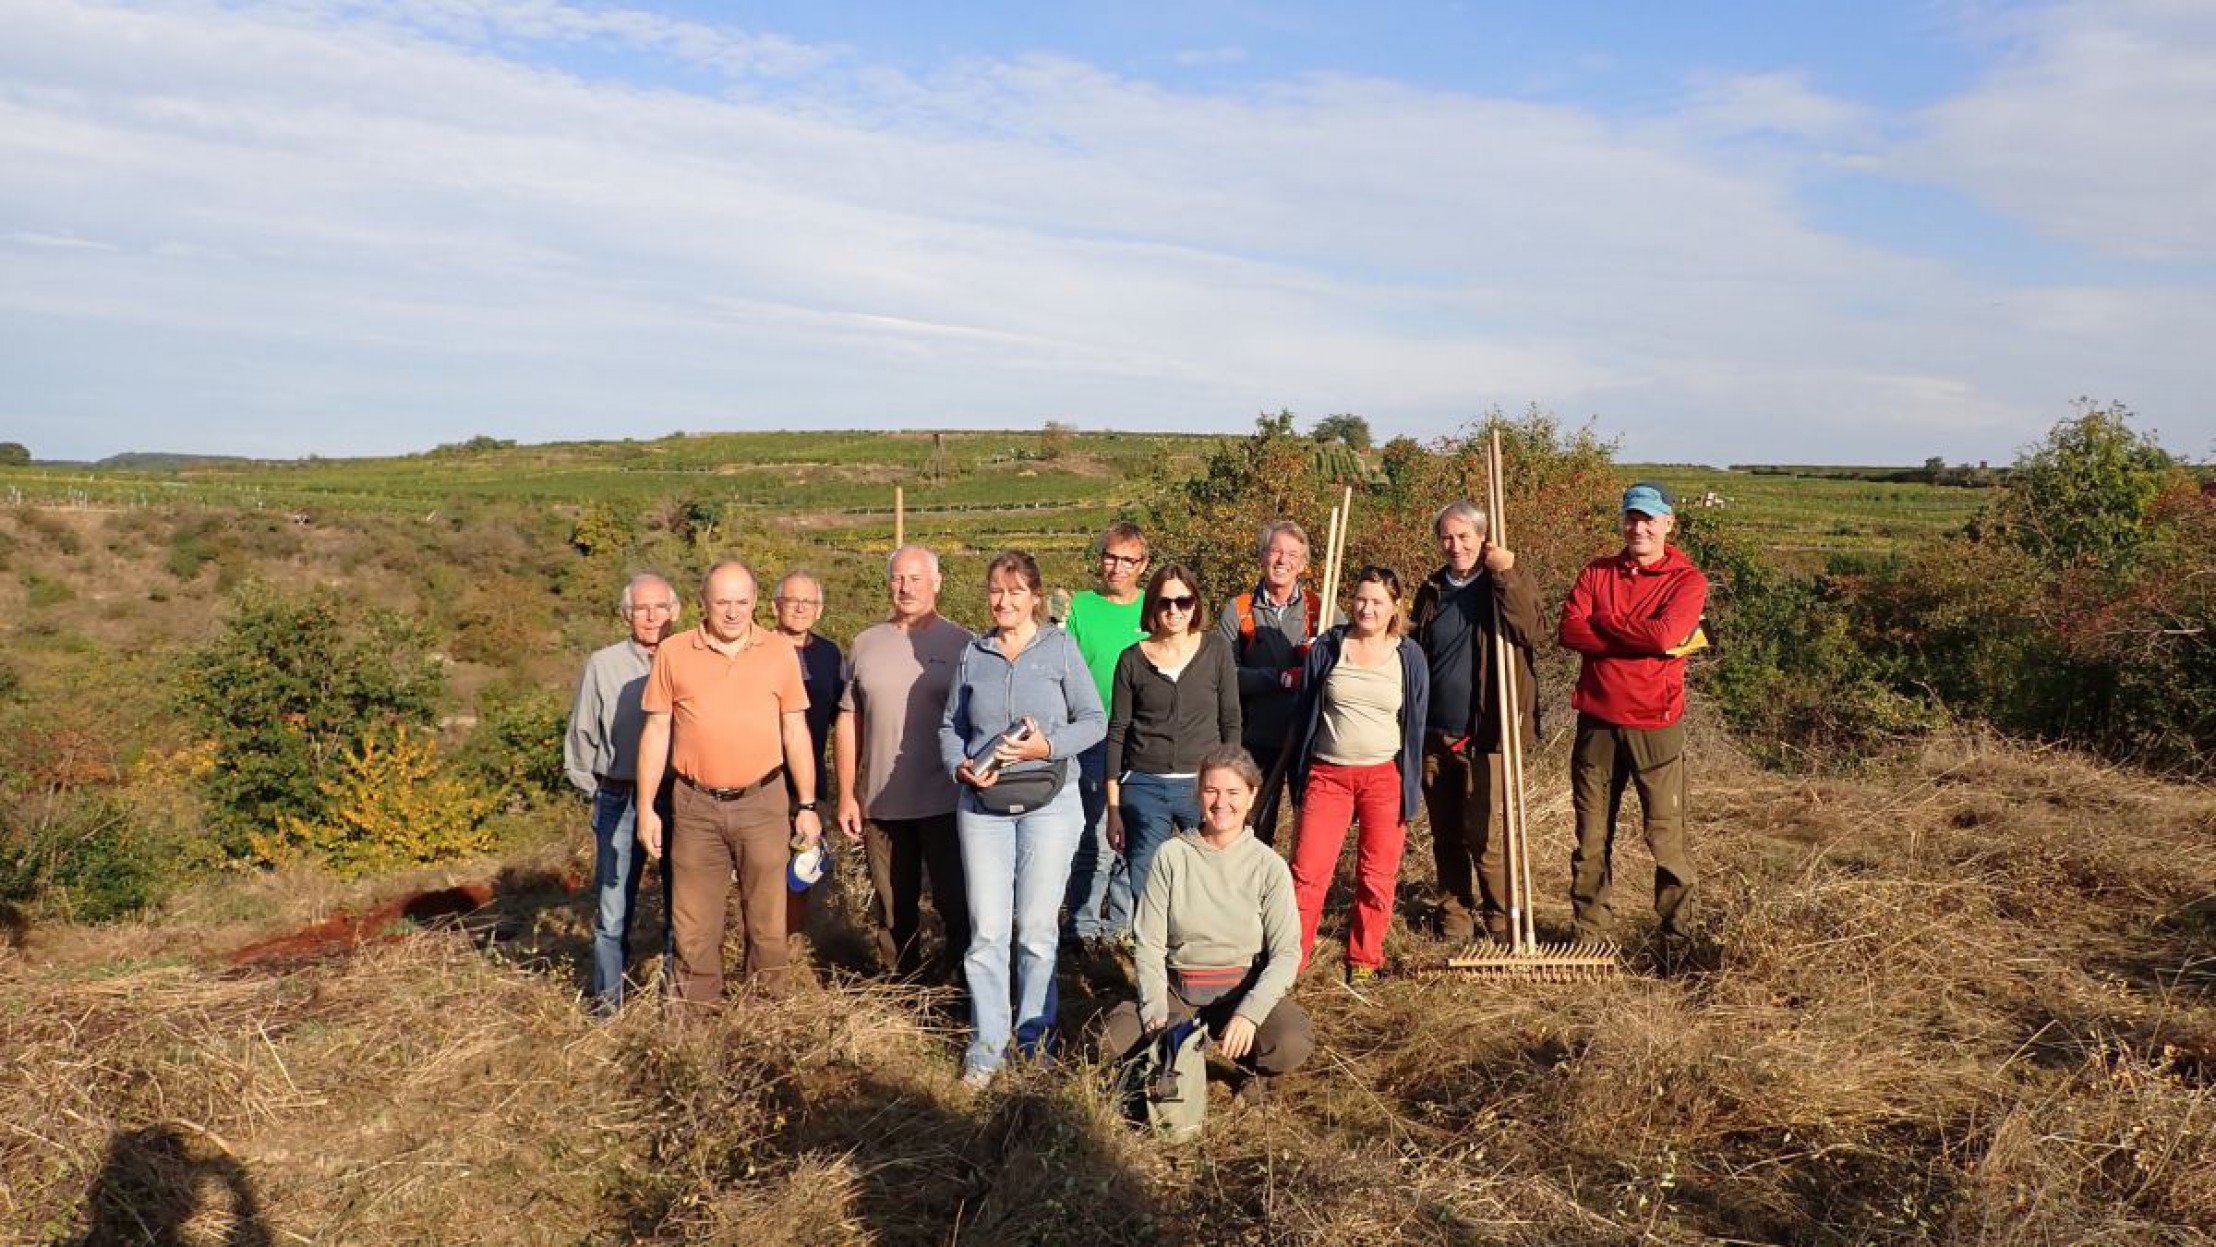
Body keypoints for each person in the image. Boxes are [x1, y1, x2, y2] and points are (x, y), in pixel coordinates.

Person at [939, 550, 1106, 1088]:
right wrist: (959, 765)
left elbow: (1095, 721)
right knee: (987, 931)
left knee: (1035, 929)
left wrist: (1047, 746)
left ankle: (1034, 1043)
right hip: (983, 807)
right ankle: (986, 1049)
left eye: (1015, 591)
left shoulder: (1059, 649)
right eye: (995, 590)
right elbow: (949, 727)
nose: (1004, 600)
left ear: (1036, 596)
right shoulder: (974, 652)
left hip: (1051, 803)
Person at [636, 561, 824, 1004]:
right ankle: (696, 1023)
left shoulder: (779, 652)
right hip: (695, 805)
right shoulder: (674, 652)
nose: (733, 612)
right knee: (694, 922)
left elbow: (795, 729)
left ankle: (763, 1013)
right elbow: (656, 732)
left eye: (742, 601)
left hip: (764, 801)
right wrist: (646, 807)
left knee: (767, 918)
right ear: (702, 603)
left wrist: (808, 805)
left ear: (756, 603)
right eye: (722, 602)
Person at [1099, 745, 1312, 1104]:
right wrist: (1154, 1010)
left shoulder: (1268, 866)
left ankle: (1251, 1065)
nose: (1221, 802)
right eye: (1211, 791)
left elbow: (1287, 953)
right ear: (1198, 795)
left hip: (1240, 989)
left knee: (1290, 1041)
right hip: (1180, 989)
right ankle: (1176, 1055)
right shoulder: (1171, 855)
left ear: (1252, 796)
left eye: (1233, 793)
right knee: (1111, 1039)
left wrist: (1250, 1013)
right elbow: (1149, 941)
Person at [1558, 483, 1710, 943]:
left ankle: (1677, 935)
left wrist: (1602, 622)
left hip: (1656, 724)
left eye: (1648, 518)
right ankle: (1590, 932)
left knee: (1664, 834)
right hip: (1597, 721)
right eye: (1631, 517)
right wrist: (1634, 636)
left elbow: (1665, 636)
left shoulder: (1687, 580)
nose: (1638, 527)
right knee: (1590, 835)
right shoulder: (1597, 572)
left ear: (1668, 523)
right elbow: (1569, 631)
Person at [835, 545, 974, 982]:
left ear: (937, 583)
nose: (905, 587)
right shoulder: (865, 644)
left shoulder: (964, 644)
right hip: (882, 803)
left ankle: (959, 982)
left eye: (915, 578)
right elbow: (848, 720)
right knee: (893, 905)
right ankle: (905, 988)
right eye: (897, 578)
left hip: (947, 800)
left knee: (957, 901)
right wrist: (846, 795)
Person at [1286, 566, 1429, 985]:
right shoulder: (1329, 646)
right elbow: (1307, 708)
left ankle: (1365, 958)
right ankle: (1291, 961)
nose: (1367, 608)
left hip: (1384, 777)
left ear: (1394, 607)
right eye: (1361, 599)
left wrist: (1409, 781)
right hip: (1328, 775)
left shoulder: (1409, 656)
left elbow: (1415, 721)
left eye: (1377, 602)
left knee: (1376, 875)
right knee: (1308, 873)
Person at [1410, 501, 1541, 944]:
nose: (1455, 545)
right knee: (1445, 837)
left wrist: (1507, 572)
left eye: (1465, 536)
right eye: (1447, 537)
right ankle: (1455, 918)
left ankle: (1504, 921)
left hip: (1486, 734)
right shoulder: (1431, 590)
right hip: (1433, 735)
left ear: (1483, 538)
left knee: (1485, 839)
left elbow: (1531, 630)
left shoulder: (1500, 583)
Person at [563, 573, 680, 1014]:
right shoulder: (603, 664)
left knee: (681, 903)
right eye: (641, 609)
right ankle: (609, 1004)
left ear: (675, 611)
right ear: (626, 615)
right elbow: (581, 736)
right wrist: (603, 792)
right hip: (620, 797)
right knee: (613, 908)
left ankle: (675, 1001)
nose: (651, 617)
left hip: (678, 797)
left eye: (660, 608)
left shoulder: (689, 657)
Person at [1104, 564, 1240, 914]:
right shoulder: (1132, 660)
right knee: (1145, 881)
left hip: (1203, 785)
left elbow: (1231, 724)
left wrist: (1231, 789)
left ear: (1195, 604)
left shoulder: (1216, 652)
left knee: (1212, 877)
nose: (1174, 611)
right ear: (1152, 607)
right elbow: (1117, 732)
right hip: (1144, 785)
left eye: (1184, 601)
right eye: (1165, 603)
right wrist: (1114, 808)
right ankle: (1157, 961)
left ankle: (1202, 961)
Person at [1061, 522, 1150, 948]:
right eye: (1109, 557)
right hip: (1094, 737)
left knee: (1135, 831)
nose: (1116, 567)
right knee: (1095, 834)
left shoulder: (1156, 609)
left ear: (1142, 565)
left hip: (1142, 737)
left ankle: (1122, 926)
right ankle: (1082, 924)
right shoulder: (1080, 606)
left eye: (1126, 560)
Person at [1215, 521, 1319, 844]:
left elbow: (1351, 659)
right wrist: (1280, 678)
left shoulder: (1320, 608)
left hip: (1308, 739)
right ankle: (1246, 892)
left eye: (1292, 554)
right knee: (1254, 827)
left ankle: (1296, 893)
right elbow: (1223, 675)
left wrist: (1319, 659)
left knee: (1310, 828)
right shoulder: (1240, 610)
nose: (1282, 560)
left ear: (1303, 564)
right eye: (1275, 551)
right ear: (1262, 557)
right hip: (1256, 739)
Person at [772, 570, 844, 937]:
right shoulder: (758, 649)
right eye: (791, 600)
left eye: (808, 602)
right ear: (775, 606)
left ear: (819, 610)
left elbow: (842, 720)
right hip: (761, 785)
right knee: (758, 876)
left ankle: (790, 952)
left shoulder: (830, 655)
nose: (799, 608)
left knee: (799, 873)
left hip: (808, 787)